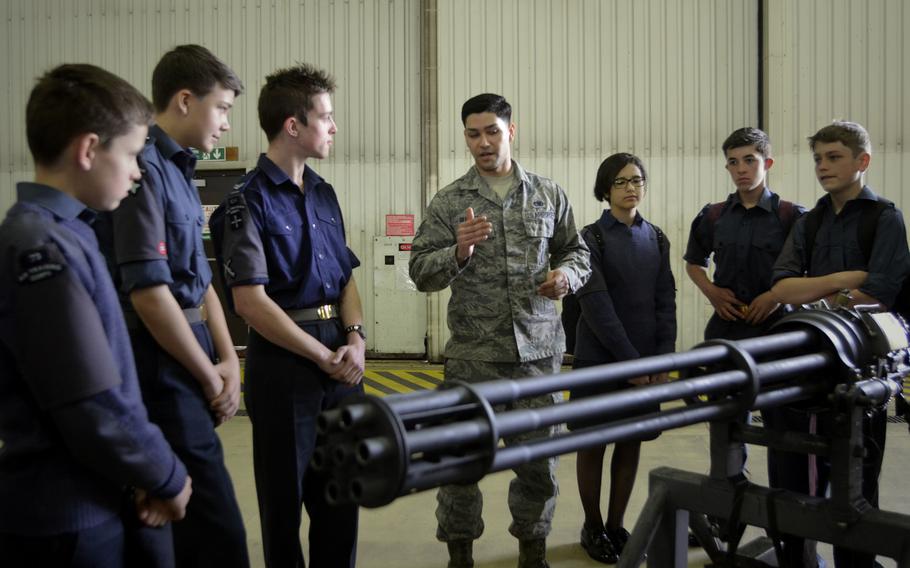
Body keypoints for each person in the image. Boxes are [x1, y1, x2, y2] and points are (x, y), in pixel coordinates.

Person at [0, 63, 192, 568]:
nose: (136, 171)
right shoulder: (39, 250)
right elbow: (92, 403)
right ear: (88, 150)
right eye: (130, 155)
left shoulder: (70, 234)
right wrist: (167, 474)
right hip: (67, 519)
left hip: (100, 497)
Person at [409, 93, 590, 568]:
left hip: (538, 360)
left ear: (512, 130)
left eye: (492, 130)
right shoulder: (450, 201)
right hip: (474, 360)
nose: (483, 142)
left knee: (538, 468)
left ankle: (533, 553)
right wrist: (458, 253)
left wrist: (566, 276)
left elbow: (579, 253)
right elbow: (421, 271)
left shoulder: (548, 194)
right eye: (473, 133)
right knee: (461, 467)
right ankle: (460, 557)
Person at [94, 45, 249, 567]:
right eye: (222, 107)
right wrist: (209, 377)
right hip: (160, 363)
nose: (226, 123)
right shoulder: (144, 170)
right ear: (185, 100)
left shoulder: (182, 171)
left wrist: (228, 359)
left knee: (188, 522)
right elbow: (150, 293)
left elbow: (200, 278)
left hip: (192, 355)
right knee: (216, 528)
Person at [210, 63, 364, 568]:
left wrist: (356, 339)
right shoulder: (243, 202)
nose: (335, 127)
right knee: (284, 505)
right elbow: (249, 302)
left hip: (342, 362)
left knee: (342, 498)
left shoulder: (324, 192)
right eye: (327, 117)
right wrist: (323, 356)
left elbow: (345, 277)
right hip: (286, 365)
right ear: (293, 126)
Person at [771, 120, 910, 568]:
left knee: (858, 477)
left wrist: (815, 290)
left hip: (864, 369)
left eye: (834, 157)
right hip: (810, 365)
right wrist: (845, 282)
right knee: (798, 475)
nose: (823, 167)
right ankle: (800, 559)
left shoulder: (884, 219)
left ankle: (855, 563)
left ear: (862, 161)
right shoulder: (808, 223)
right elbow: (782, 289)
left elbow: (884, 290)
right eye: (818, 158)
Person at [683, 127, 811, 554]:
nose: (740, 170)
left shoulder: (794, 217)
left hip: (777, 338)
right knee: (726, 428)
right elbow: (694, 262)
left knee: (783, 433)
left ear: (767, 163)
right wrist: (711, 292)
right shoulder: (714, 216)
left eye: (749, 161)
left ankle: (786, 527)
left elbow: (810, 275)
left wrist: (775, 297)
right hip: (727, 335)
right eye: (733, 162)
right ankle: (726, 520)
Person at [569, 153, 676, 564]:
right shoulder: (590, 238)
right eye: (620, 182)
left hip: (645, 362)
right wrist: (633, 364)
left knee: (630, 443)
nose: (631, 188)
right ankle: (592, 526)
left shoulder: (658, 238)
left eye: (637, 180)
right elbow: (596, 306)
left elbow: (665, 301)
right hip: (600, 360)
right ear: (605, 189)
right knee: (593, 444)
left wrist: (662, 359)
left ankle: (616, 525)